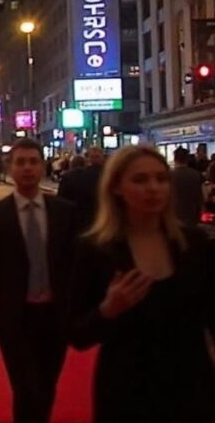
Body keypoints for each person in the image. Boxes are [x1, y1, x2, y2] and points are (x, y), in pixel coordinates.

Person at [67, 146, 215, 422]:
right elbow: (76, 334)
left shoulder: (194, 244)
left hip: (192, 384)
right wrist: (108, 310)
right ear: (117, 188)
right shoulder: (97, 249)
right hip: (127, 387)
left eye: (161, 179)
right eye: (140, 180)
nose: (153, 188)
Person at [0, 139, 77, 423]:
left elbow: (75, 265)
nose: (28, 168)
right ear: (10, 168)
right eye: (21, 162)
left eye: (33, 161)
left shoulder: (65, 212)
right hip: (14, 318)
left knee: (46, 388)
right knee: (25, 389)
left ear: (43, 166)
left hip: (55, 317)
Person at [57, 146, 105, 231]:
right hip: (104, 223)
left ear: (88, 159)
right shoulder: (111, 177)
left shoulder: (72, 177)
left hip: (79, 225)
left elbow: (61, 202)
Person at [171, 147, 205, 228]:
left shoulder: (169, 175)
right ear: (187, 159)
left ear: (175, 159)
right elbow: (202, 196)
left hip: (174, 216)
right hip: (192, 215)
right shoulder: (196, 175)